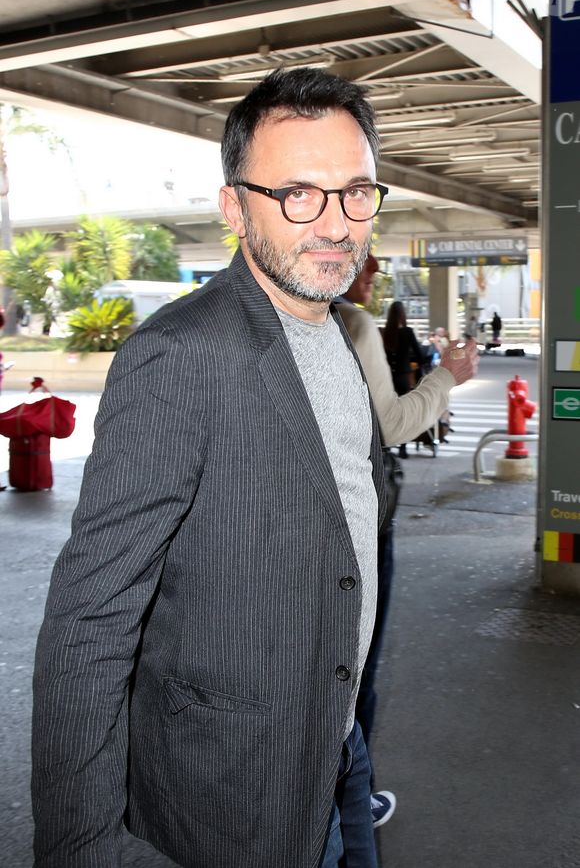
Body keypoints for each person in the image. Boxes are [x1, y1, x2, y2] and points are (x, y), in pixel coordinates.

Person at [32, 67, 393, 868]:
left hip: (337, 739)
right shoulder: (180, 354)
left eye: (355, 191)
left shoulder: (336, 329)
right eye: (298, 193)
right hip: (232, 785)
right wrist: (82, 843)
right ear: (235, 207)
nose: (334, 223)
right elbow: (90, 619)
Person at [337, 256, 477, 826]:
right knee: (354, 667)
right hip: (357, 521)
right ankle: (350, 801)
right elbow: (389, 425)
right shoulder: (351, 324)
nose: (372, 272)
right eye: (364, 261)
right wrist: (449, 376)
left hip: (281, 525)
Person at [381, 301, 425, 459]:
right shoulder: (408, 332)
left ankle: (386, 446)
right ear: (403, 315)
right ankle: (403, 448)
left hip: (387, 378)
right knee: (403, 413)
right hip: (403, 377)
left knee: (387, 413)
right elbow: (419, 355)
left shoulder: (385, 332)